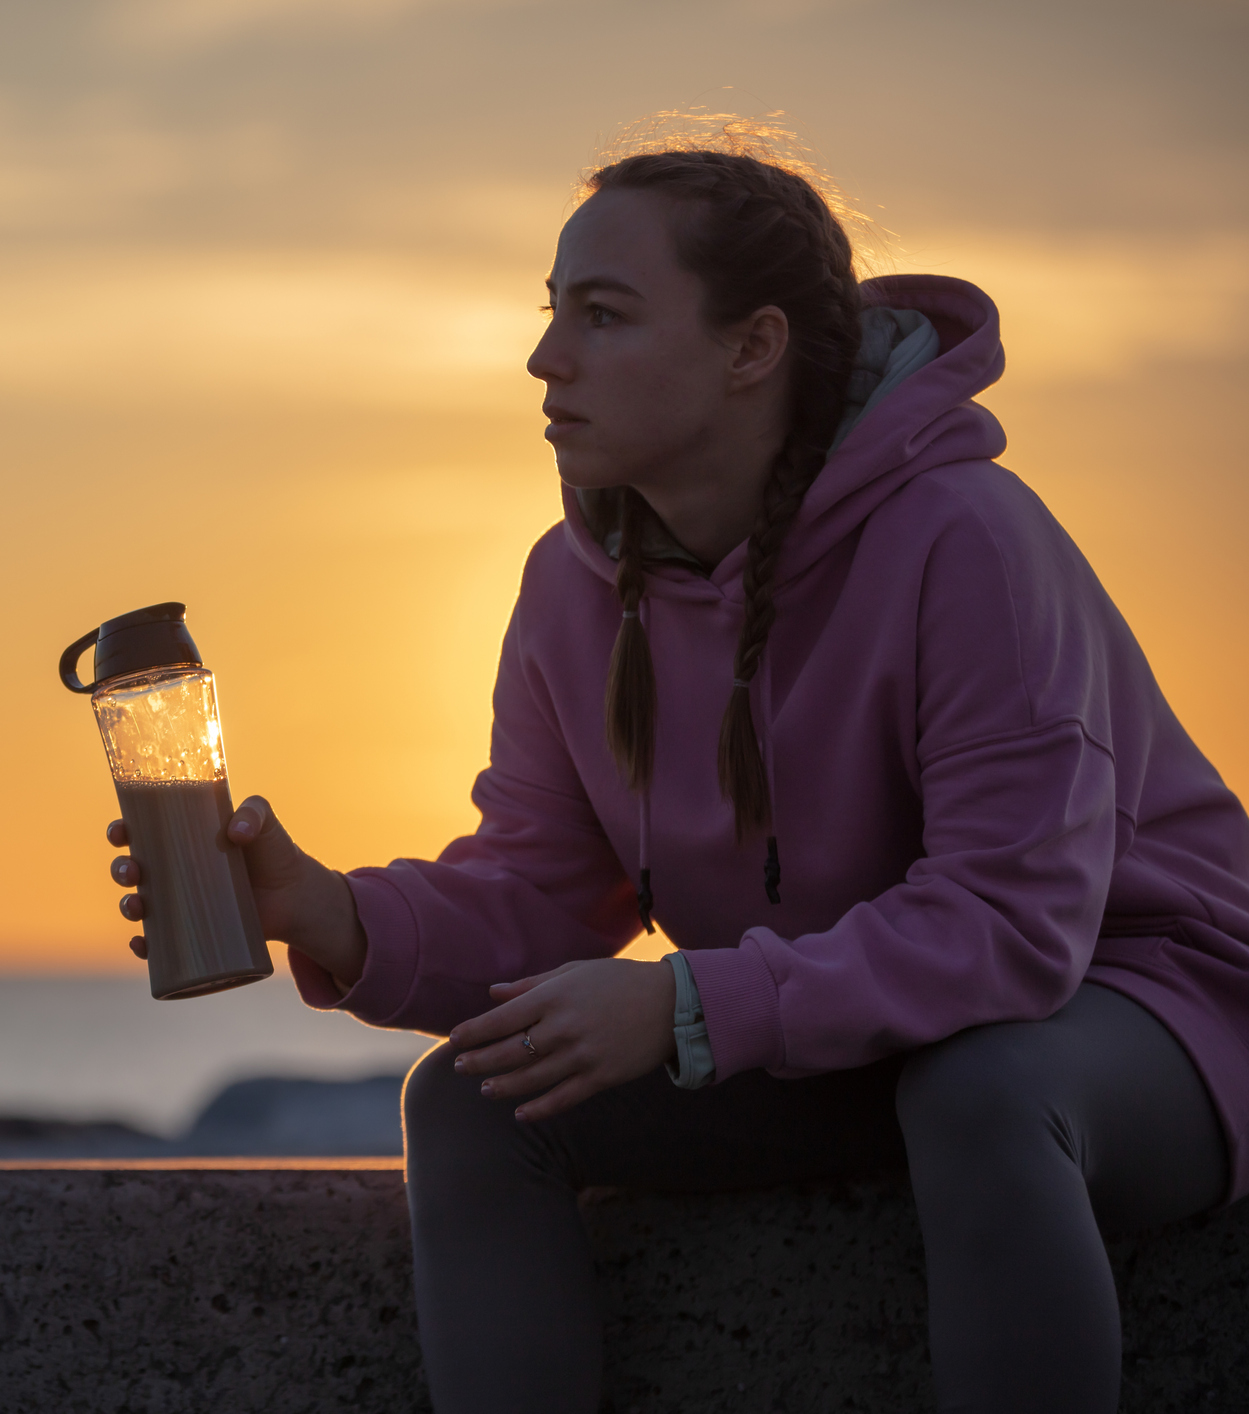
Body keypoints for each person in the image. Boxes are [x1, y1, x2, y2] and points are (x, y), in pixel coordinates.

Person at [106, 122, 1249, 1412]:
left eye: (603, 316)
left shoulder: (968, 539)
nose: (544, 359)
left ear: (753, 347)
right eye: (551, 313)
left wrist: (689, 1008)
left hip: (1149, 1009)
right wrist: (331, 911)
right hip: (856, 1035)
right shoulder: (571, 588)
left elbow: (1013, 927)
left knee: (986, 1088)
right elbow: (547, 893)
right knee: (481, 1101)